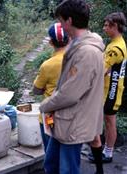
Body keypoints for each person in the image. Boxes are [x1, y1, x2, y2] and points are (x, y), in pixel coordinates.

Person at [38, 0, 105, 174]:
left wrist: (45, 105)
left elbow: (70, 94)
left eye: (61, 20)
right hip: (64, 120)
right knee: (51, 164)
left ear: (69, 21)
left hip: (74, 123)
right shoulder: (77, 44)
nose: (60, 25)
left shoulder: (87, 52)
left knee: (67, 169)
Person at [89, 12, 127, 169]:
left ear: (115, 26)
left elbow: (102, 70)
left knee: (110, 122)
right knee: (108, 121)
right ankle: (105, 150)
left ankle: (108, 153)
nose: (104, 28)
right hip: (111, 88)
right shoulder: (116, 43)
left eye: (106, 25)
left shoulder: (116, 48)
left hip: (111, 90)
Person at [33, 22, 69, 152]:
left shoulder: (47, 65)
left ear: (50, 43)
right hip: (71, 115)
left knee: (50, 151)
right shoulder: (77, 59)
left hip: (50, 117)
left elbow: (36, 90)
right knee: (67, 153)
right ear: (69, 38)